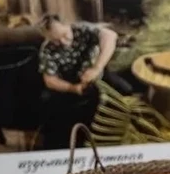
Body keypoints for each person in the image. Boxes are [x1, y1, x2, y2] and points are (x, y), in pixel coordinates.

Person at [36, 13, 132, 147]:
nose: (63, 42)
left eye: (65, 35)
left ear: (68, 25)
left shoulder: (82, 29)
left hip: (97, 75)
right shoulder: (47, 50)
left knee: (126, 91)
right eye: (56, 40)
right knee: (60, 117)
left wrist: (97, 68)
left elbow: (110, 36)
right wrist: (73, 88)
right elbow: (50, 80)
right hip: (69, 85)